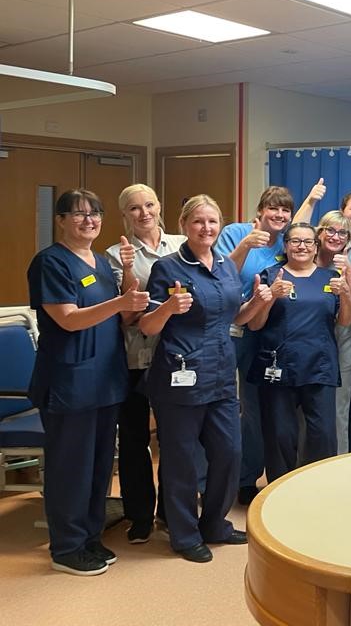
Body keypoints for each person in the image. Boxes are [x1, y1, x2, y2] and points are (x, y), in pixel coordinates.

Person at [139, 195, 267, 563]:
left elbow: (236, 317)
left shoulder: (226, 266)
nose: (206, 228)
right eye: (198, 222)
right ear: (183, 225)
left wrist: (259, 300)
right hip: (179, 376)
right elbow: (148, 326)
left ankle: (214, 524)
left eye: (212, 221)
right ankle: (183, 533)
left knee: (228, 452)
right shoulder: (167, 267)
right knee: (181, 460)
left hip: (221, 375)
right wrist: (167, 308)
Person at [28, 189, 148, 575]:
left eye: (94, 213)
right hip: (70, 381)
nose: (88, 220)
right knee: (70, 468)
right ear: (60, 220)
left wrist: (127, 296)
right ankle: (66, 548)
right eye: (77, 214)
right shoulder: (50, 262)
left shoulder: (99, 261)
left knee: (99, 466)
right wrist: (120, 304)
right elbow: (68, 318)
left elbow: (120, 316)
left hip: (104, 379)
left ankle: (90, 538)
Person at [105, 183, 186, 544]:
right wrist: (125, 269)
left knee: (174, 437)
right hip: (134, 357)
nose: (144, 213)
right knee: (136, 439)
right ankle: (139, 515)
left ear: (159, 205)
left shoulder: (181, 245)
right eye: (134, 208)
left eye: (149, 204)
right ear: (124, 214)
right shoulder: (113, 254)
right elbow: (122, 312)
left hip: (175, 356)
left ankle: (170, 513)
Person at [246, 223, 351, 481]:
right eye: (295, 241)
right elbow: (254, 324)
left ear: (316, 247)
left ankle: (318, 489)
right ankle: (278, 492)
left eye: (308, 241)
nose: (302, 246)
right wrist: (270, 296)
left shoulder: (330, 278)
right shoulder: (270, 275)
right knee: (280, 436)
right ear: (286, 245)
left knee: (323, 435)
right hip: (278, 367)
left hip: (319, 365)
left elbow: (345, 321)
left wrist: (347, 294)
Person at [215, 185, 295, 506]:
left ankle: (248, 477)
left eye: (285, 211)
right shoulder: (237, 233)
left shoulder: (283, 245)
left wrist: (312, 200)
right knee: (221, 406)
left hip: (258, 332)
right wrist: (246, 246)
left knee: (253, 409)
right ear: (260, 210)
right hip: (225, 328)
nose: (279, 215)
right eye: (273, 208)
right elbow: (220, 273)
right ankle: (218, 482)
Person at [313, 211, 351, 453]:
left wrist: (347, 272)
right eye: (330, 230)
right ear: (319, 232)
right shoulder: (305, 257)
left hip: (341, 344)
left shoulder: (348, 260)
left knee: (340, 414)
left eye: (342, 233)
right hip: (308, 347)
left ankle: (338, 465)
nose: (335, 237)